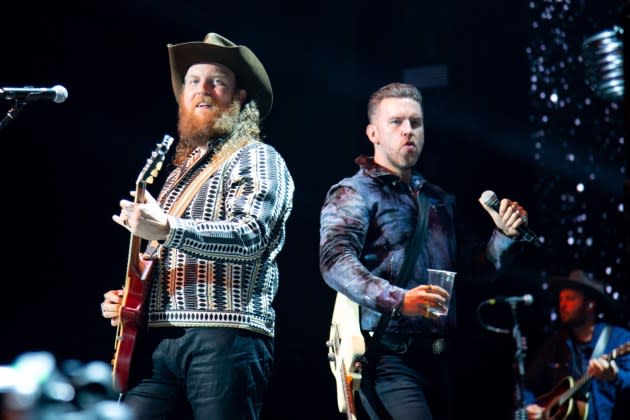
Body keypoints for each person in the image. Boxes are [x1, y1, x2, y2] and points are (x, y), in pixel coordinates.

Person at [99, 32, 294, 419]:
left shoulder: (256, 157)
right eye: (192, 80)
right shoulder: (176, 177)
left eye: (217, 81)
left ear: (239, 97)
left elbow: (251, 235)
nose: (202, 89)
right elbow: (162, 256)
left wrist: (169, 228)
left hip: (225, 338)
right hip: (158, 341)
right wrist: (132, 299)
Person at [319, 82, 531, 420]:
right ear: (373, 132)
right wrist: (399, 299)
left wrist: (504, 236)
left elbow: (475, 270)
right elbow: (334, 261)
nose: (408, 131)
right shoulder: (353, 193)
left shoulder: (437, 199)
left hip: (441, 359)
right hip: (387, 356)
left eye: (415, 123)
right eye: (397, 122)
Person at [523, 269, 630, 420]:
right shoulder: (555, 343)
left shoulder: (619, 339)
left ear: (589, 305)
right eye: (561, 299)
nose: (562, 305)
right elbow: (528, 385)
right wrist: (530, 405)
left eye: (570, 298)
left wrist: (615, 376)